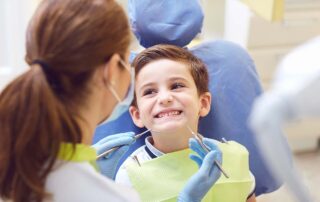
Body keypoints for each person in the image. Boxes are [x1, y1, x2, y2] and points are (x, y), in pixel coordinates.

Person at [0, 0, 221, 201]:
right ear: (113, 70)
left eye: (177, 86)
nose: (165, 98)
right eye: (128, 60)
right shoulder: (115, 193)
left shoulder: (19, 165)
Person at [115, 44, 257, 202]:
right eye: (149, 91)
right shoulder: (129, 177)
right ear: (137, 115)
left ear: (203, 104)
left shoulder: (233, 158)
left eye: (176, 86)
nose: (164, 98)